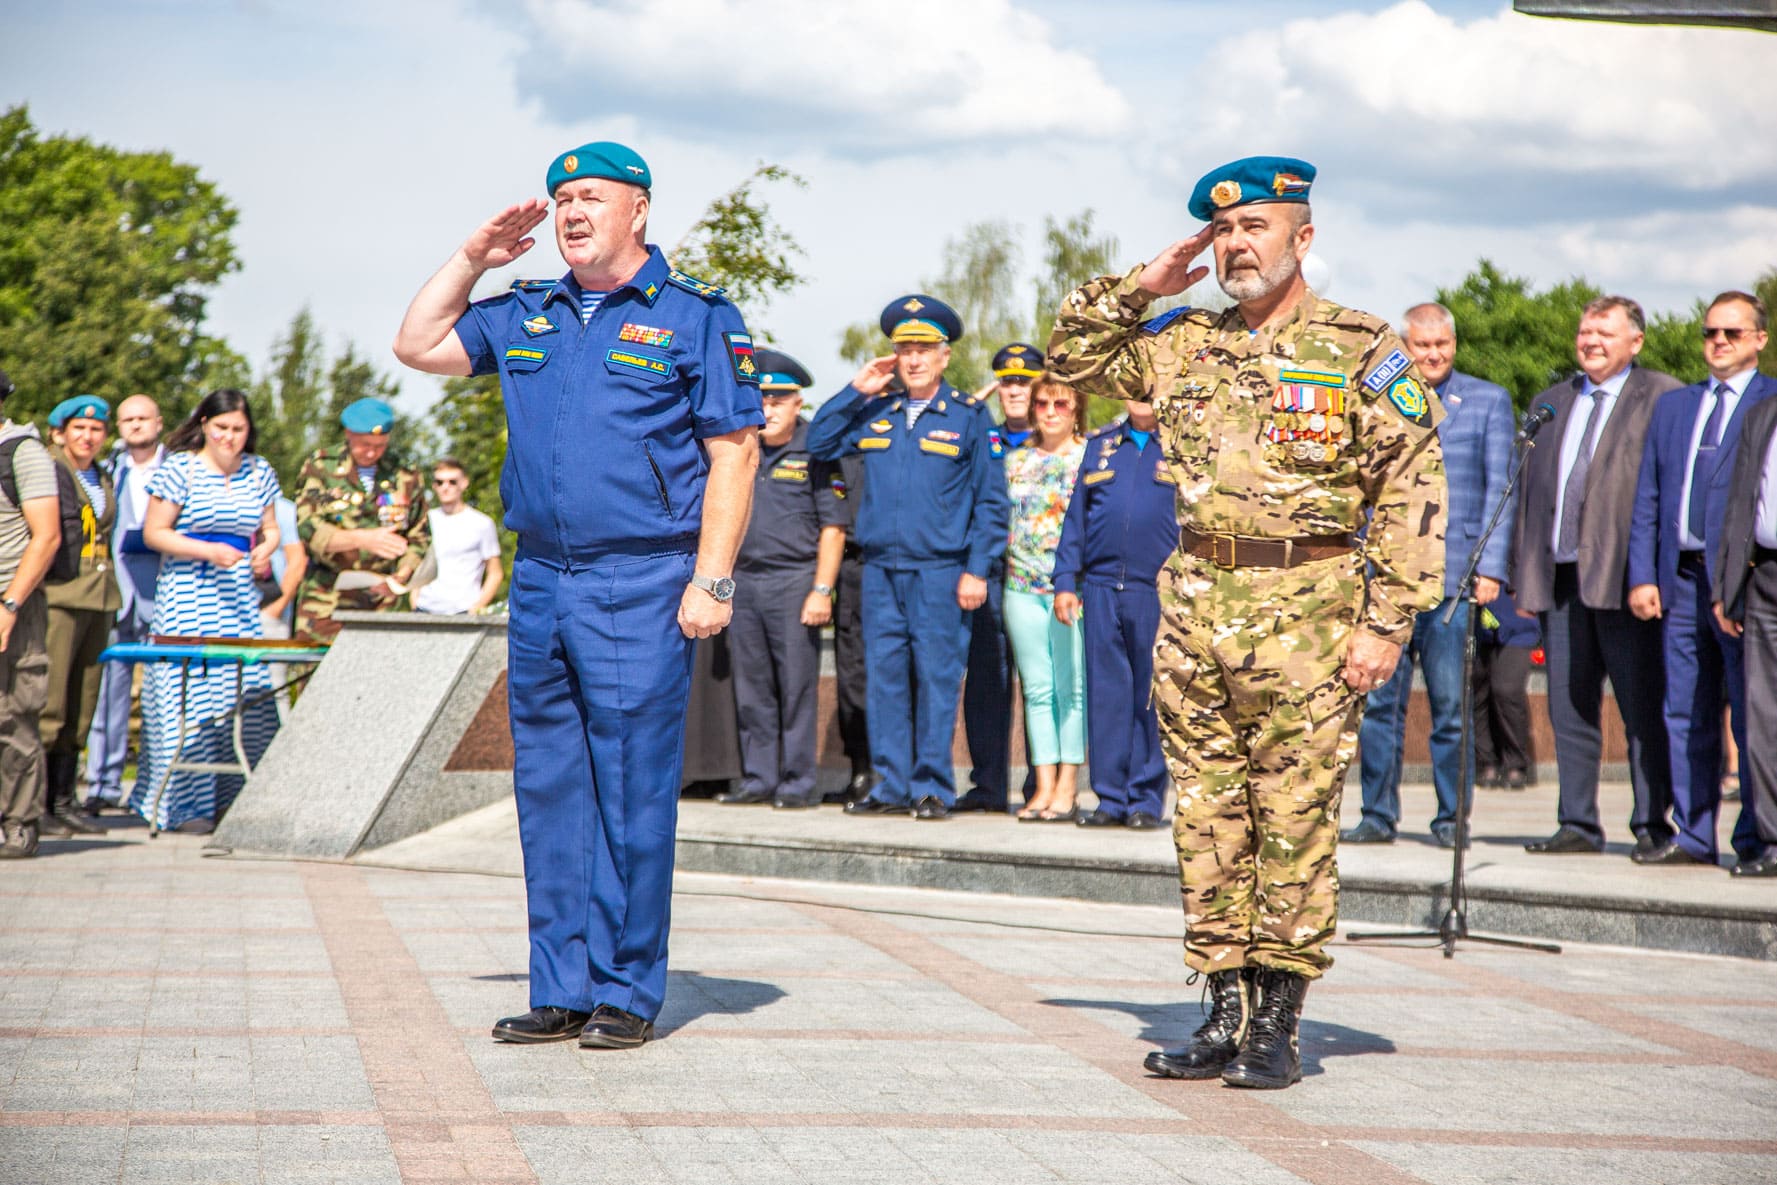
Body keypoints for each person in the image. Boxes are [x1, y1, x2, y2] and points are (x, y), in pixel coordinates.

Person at [1049, 156, 1445, 1090]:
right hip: (1192, 608)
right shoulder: (1183, 340)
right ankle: (1221, 1005)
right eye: (1222, 231)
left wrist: (1386, 621)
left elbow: (1412, 487)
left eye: (1253, 227)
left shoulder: (1359, 346)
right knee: (1206, 815)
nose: (1234, 244)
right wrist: (1141, 286)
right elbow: (1069, 356)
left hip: (1309, 610)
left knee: (1293, 818)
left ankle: (1278, 1017)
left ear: (1300, 237)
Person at [392, 140, 762, 1049]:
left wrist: (711, 576)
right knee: (550, 787)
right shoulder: (527, 312)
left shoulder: (693, 317)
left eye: (590, 196)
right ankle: (559, 985)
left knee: (632, 788)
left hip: (640, 579)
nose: (570, 211)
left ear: (640, 208)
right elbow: (417, 343)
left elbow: (734, 451)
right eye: (561, 198)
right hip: (543, 578)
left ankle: (627, 989)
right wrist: (473, 258)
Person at [808, 295, 1010, 821]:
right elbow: (821, 440)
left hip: (942, 572)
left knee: (938, 680)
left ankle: (932, 787)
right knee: (886, 678)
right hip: (879, 571)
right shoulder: (876, 412)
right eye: (905, 350)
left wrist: (977, 568)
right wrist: (856, 389)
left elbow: (992, 503)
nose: (914, 359)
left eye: (924, 350)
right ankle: (891, 784)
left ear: (944, 356)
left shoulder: (968, 416)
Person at [1512, 296, 1681, 857]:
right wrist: (1522, 577)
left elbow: (1667, 494)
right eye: (1585, 332)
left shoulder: (1661, 396)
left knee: (1640, 707)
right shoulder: (1553, 402)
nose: (1591, 342)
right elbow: (1530, 498)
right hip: (1559, 580)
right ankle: (1578, 823)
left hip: (1625, 580)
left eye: (1604, 333)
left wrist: (1652, 575)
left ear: (1635, 341)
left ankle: (1653, 824)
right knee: (1569, 706)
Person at [1343, 303, 1515, 848]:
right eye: (1422, 345)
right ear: (1404, 345)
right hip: (1384, 584)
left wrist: (1490, 568)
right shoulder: (1378, 397)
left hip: (1453, 584)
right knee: (1379, 712)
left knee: (1450, 711)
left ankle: (1450, 821)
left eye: (1443, 344)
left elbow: (1500, 491)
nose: (1434, 354)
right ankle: (1376, 815)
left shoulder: (1487, 400)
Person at [1630, 292, 1773, 866]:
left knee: (1751, 709)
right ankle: (1693, 834)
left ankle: (1756, 834)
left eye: (1732, 333)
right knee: (1684, 707)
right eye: (1710, 332)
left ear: (1760, 338)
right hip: (1681, 578)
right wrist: (1644, 574)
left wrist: (1738, 580)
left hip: (1745, 579)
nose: (1718, 342)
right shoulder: (1675, 406)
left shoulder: (1772, 400)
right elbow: (1650, 494)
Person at [134, 389, 283, 835]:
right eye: (221, 428)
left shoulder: (260, 471)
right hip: (187, 595)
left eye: (238, 430)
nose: (230, 438)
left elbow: (270, 530)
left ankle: (238, 802)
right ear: (204, 425)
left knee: (243, 696)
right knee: (191, 700)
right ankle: (182, 806)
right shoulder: (180, 469)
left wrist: (264, 552)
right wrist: (207, 550)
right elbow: (155, 533)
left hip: (238, 598)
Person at [719, 348, 845, 809]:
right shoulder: (738, 446)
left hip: (795, 582)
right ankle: (758, 779)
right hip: (744, 582)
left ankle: (796, 781)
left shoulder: (816, 451)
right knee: (751, 689)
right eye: (763, 399)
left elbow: (833, 528)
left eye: (779, 399)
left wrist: (821, 589)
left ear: (797, 404)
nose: (769, 408)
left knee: (795, 686)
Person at [1052, 400, 1179, 830]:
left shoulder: (1183, 441)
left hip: (1156, 589)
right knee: (1107, 695)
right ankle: (1109, 798)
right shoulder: (1102, 445)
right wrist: (1066, 580)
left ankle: (1144, 799)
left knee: (1150, 696)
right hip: (1103, 586)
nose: (1139, 397)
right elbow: (1077, 518)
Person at [952, 343, 1040, 813]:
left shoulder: (1055, 440)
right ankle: (987, 785)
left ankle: (1038, 788)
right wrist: (977, 400)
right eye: (1006, 381)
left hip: (1036, 580)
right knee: (986, 683)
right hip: (987, 575)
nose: (1014, 390)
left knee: (1040, 686)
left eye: (1024, 381)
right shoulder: (980, 435)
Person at [1000, 376, 1087, 821]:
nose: (1050, 411)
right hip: (1020, 587)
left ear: (1077, 411)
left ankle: (1069, 787)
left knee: (1070, 689)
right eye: (1041, 403)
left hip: (1068, 589)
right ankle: (1044, 785)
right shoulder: (1015, 461)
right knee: (1036, 690)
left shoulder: (1088, 457)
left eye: (1060, 404)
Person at [38, 397, 121, 837]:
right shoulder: (50, 468)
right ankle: (35, 803)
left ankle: (64, 797)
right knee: (51, 702)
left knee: (83, 702)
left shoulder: (100, 474)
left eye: (96, 430)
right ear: (59, 432)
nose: (88, 437)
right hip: (62, 595)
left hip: (99, 596)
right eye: (79, 429)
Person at [83, 393, 164, 810]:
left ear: (159, 423)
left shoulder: (179, 466)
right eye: (128, 419)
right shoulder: (107, 469)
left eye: (143, 418)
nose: (135, 425)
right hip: (115, 594)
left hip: (163, 594)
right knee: (106, 696)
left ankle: (154, 788)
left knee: (161, 697)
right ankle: (102, 785)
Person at [292, 398, 430, 641]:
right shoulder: (321, 466)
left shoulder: (404, 473)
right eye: (365, 444)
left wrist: (401, 576)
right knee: (318, 677)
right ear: (349, 434)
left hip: (383, 602)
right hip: (326, 602)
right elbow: (307, 528)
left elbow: (419, 536)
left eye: (380, 445)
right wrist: (363, 539)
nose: (371, 452)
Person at [1714, 350, 1777, 877]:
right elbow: (1741, 505)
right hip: (1764, 579)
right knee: (1761, 716)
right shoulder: (1762, 415)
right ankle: (1772, 838)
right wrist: (1728, 586)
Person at [0, 369, 62, 859]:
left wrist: (10, 604)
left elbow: (47, 537)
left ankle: (19, 823)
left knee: (15, 718)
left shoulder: (22, 452)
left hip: (12, 603)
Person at [827, 451, 873, 803]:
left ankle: (903, 773)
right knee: (852, 674)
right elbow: (818, 435)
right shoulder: (843, 439)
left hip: (899, 561)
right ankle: (860, 770)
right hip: (854, 564)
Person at [413, 457, 502, 615]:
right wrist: (414, 599)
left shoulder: (482, 523)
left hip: (463, 611)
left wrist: (478, 607)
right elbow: (417, 563)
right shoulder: (425, 521)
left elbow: (495, 572)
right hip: (424, 609)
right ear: (434, 486)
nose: (445, 487)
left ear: (464, 483)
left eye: (452, 482)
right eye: (440, 482)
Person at [1472, 586, 1539, 791]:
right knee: (1476, 690)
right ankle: (1486, 762)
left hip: (1517, 620)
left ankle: (1516, 763)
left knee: (1506, 689)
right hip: (1476, 620)